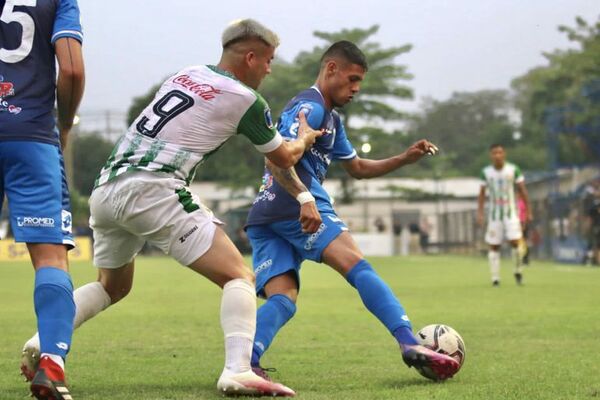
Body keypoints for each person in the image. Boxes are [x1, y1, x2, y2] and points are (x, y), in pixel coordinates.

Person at [22, 19, 323, 397]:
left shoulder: (188, 73)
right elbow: (283, 156)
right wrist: (305, 138)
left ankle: (41, 342)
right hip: (155, 187)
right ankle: (239, 370)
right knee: (238, 276)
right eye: (268, 61)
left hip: (107, 187)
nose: (269, 69)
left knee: (112, 286)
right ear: (250, 57)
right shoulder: (246, 99)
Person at [244, 41, 460, 386]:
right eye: (352, 78)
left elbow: (357, 167)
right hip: (295, 205)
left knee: (283, 299)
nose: (356, 88)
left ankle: (246, 361)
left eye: (360, 82)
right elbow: (276, 158)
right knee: (358, 266)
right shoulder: (310, 108)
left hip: (265, 214)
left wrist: (404, 158)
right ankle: (408, 342)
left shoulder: (330, 118)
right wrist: (304, 199)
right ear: (331, 69)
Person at [0, 0, 85, 398]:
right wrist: (63, 125)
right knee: (51, 257)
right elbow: (70, 68)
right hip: (31, 134)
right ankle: (51, 364)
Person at [477, 144, 532, 286]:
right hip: (494, 215)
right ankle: (495, 278)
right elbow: (482, 194)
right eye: (494, 153)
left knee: (515, 242)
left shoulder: (513, 170)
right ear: (491, 155)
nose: (497, 155)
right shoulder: (486, 172)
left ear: (504, 154)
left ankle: (518, 271)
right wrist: (480, 213)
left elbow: (523, 190)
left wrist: (528, 211)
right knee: (494, 245)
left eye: (500, 152)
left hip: (511, 213)